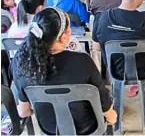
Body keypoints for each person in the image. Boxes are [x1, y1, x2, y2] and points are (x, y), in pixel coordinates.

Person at [9, 7, 116, 135]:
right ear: (64, 37)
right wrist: (112, 117)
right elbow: (105, 104)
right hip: (87, 129)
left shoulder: (21, 62)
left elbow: (23, 112)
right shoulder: (83, 61)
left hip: (49, 129)